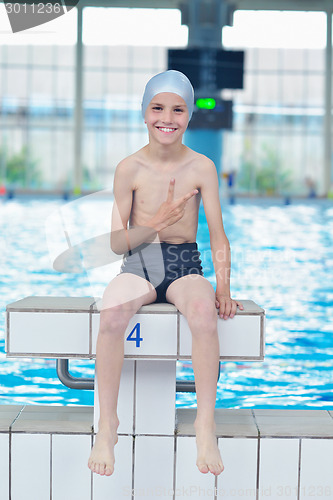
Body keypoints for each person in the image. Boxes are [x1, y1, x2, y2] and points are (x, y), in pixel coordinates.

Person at [88, 70, 243, 477]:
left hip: (183, 265)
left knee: (204, 314)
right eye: (158, 107)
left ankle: (205, 423)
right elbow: (114, 243)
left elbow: (218, 236)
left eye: (177, 109)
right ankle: (107, 424)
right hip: (138, 263)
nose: (167, 118)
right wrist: (155, 222)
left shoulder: (201, 167)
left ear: (189, 115)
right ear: (144, 113)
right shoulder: (130, 168)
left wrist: (223, 287)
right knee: (111, 314)